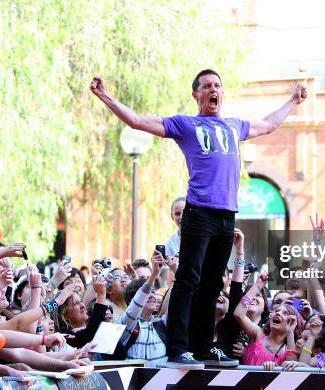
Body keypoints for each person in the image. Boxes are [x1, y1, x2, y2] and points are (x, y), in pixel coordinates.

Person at [91, 69, 307, 369]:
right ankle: (179, 347)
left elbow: (269, 124)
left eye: (217, 85)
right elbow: (138, 121)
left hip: (226, 215)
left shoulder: (234, 126)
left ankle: (205, 347)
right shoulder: (186, 124)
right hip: (199, 212)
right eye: (207, 86)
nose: (213, 90)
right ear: (197, 94)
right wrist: (105, 96)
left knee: (211, 283)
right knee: (188, 279)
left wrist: (293, 101)